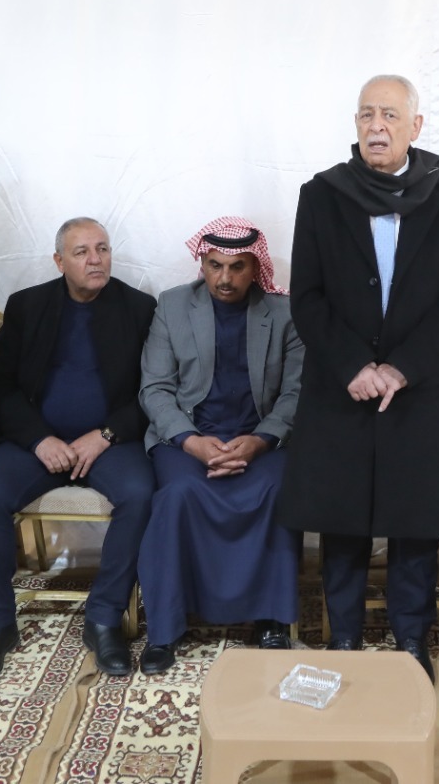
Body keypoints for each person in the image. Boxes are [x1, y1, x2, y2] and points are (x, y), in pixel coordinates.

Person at [276, 74, 439, 683]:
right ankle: (343, 636)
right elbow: (307, 296)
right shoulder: (322, 195)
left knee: (415, 523)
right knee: (342, 520)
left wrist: (400, 368)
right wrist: (354, 367)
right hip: (341, 389)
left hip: (422, 391)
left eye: (390, 115)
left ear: (415, 127)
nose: (376, 126)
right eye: (367, 114)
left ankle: (411, 640)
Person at [0, 218, 157, 685]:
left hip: (109, 443)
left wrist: (106, 434)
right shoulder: (27, 305)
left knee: (141, 495)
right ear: (59, 261)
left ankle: (104, 618)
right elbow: (0, 384)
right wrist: (38, 439)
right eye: (82, 252)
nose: (95, 260)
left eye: (102, 249)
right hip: (37, 443)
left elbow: (154, 388)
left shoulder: (140, 308)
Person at [134, 217, 304, 672]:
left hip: (261, 438)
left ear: (255, 268)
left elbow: (296, 392)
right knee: (178, 495)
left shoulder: (284, 313)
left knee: (274, 492)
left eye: (237, 267)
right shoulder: (172, 306)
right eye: (215, 266)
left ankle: (270, 620)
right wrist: (191, 442)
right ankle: (165, 630)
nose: (224, 278)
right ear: (202, 263)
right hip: (186, 437)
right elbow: (155, 389)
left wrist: (260, 441)